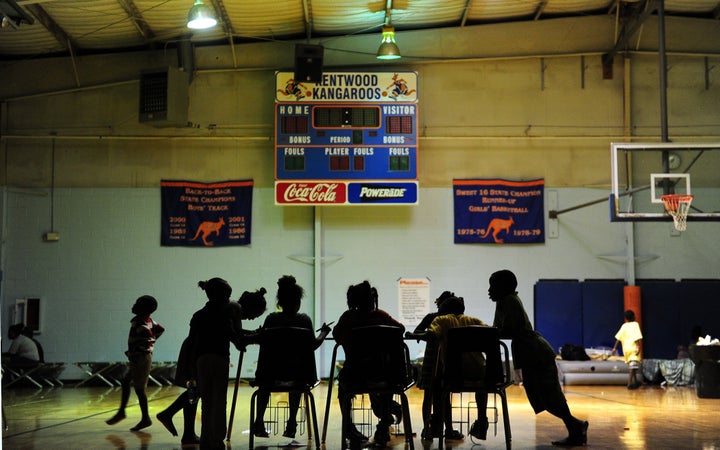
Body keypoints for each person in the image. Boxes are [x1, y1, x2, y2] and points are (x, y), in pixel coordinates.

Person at [488, 269, 588, 447]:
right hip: (529, 354)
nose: (489, 290)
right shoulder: (503, 302)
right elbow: (499, 329)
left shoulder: (510, 300)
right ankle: (576, 426)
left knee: (549, 397)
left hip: (536, 353)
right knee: (542, 398)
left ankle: (576, 428)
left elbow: (510, 330)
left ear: (503, 287)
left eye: (492, 286)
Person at [187, 278, 266, 450]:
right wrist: (254, 338)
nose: (229, 299)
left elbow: (192, 342)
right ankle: (217, 439)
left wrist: (191, 368)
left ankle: (206, 438)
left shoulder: (198, 315)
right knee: (219, 400)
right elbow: (236, 336)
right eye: (227, 295)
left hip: (201, 360)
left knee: (206, 401)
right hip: (220, 358)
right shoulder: (229, 312)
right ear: (219, 295)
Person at [252, 275, 331, 439]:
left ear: (279, 302)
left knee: (265, 384)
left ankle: (259, 421)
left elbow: (263, 343)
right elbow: (313, 345)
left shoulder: (271, 319)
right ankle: (292, 422)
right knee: (298, 379)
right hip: (299, 376)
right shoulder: (304, 320)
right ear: (298, 301)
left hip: (271, 375)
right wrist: (323, 332)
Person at [408, 295, 490, 441]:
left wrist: (414, 335)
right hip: (479, 371)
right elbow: (491, 333)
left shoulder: (441, 320)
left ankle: (434, 426)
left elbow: (431, 335)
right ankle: (482, 418)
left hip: (453, 372)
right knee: (481, 388)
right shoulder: (474, 321)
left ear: (443, 309)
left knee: (436, 389)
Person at [333, 280, 405, 448]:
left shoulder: (347, 317)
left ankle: (349, 427)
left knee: (344, 389)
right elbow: (400, 329)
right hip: (383, 375)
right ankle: (384, 421)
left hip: (354, 375)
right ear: (371, 298)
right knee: (380, 376)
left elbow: (337, 335)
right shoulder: (381, 316)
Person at [106, 295, 165, 431]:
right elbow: (160, 329)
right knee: (126, 381)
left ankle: (145, 418)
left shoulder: (140, 322)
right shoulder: (147, 320)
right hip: (139, 357)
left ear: (143, 308)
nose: (133, 305)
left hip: (141, 358)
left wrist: (145, 346)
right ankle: (123, 412)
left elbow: (148, 335)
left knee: (139, 389)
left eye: (137, 303)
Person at [408, 290, 456, 440]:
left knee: (429, 396)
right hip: (445, 360)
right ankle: (447, 429)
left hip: (431, 358)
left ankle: (427, 429)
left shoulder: (432, 317)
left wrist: (421, 336)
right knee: (444, 397)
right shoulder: (451, 319)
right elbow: (419, 331)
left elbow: (417, 331)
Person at [612, 309, 643, 389]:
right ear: (633, 317)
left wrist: (614, 348)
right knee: (632, 366)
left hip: (626, 348)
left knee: (633, 366)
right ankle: (629, 383)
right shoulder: (635, 324)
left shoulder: (624, 326)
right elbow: (637, 337)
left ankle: (635, 382)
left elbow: (618, 338)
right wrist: (638, 346)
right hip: (633, 347)